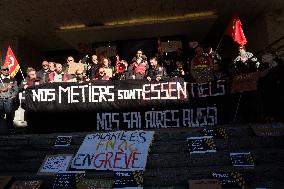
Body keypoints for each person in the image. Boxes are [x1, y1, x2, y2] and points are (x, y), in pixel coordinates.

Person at [0, 65, 18, 134]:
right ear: (1, 71)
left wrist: (12, 96)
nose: (6, 71)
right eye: (4, 70)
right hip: (0, 99)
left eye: (7, 69)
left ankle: (10, 129)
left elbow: (16, 90)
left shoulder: (13, 79)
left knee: (9, 115)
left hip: (8, 99)